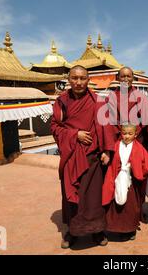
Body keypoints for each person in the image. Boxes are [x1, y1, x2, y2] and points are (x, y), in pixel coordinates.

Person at [51, 65, 115, 249]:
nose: (78, 82)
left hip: (93, 158)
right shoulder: (61, 101)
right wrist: (75, 134)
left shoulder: (98, 101)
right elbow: (55, 127)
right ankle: (73, 231)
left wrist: (107, 151)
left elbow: (107, 127)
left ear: (88, 80)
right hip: (72, 158)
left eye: (82, 78)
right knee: (73, 197)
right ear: (68, 79)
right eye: (74, 78)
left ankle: (97, 230)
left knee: (94, 198)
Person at [105, 66, 148, 223]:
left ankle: (138, 211)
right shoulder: (112, 97)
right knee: (118, 176)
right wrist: (121, 135)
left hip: (137, 142)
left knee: (138, 178)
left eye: (129, 76)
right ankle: (119, 213)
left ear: (133, 78)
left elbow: (146, 120)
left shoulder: (141, 97)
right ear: (118, 78)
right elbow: (109, 121)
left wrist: (133, 134)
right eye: (122, 76)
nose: (126, 79)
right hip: (118, 142)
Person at [102, 124, 148, 241]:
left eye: (130, 134)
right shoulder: (116, 145)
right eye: (124, 133)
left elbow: (147, 161)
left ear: (135, 135)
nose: (126, 136)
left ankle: (130, 229)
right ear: (121, 133)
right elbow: (111, 161)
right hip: (116, 179)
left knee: (131, 207)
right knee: (114, 204)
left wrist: (138, 168)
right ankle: (114, 228)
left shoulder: (139, 147)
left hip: (132, 181)